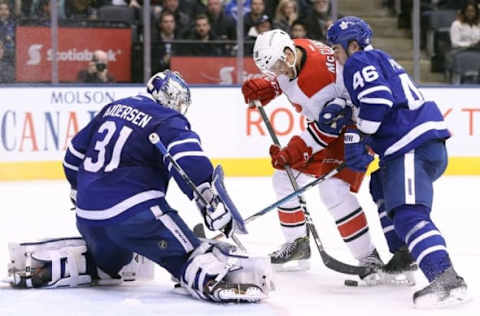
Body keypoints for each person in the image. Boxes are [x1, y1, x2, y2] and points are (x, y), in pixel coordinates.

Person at [7, 70, 271, 303]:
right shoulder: (167, 119)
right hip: (135, 215)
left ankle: (47, 268)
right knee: (190, 255)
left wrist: (79, 190)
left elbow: (73, 154)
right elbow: (188, 160)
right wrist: (211, 201)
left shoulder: (113, 108)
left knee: (111, 265)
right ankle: (214, 279)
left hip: (87, 217)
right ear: (171, 97)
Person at [241, 29, 409, 284]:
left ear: (287, 54)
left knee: (334, 190)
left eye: (277, 67)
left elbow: (328, 128)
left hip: (354, 132)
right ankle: (297, 244)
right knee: (284, 178)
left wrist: (296, 150)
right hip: (330, 124)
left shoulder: (323, 84)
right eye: (272, 69)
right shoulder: (296, 48)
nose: (278, 72)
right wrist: (269, 86)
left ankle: (369, 260)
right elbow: (287, 79)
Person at [327, 16, 468, 307]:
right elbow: (377, 100)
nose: (335, 56)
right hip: (412, 146)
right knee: (379, 186)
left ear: (352, 45)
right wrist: (354, 121)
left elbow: (378, 100)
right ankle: (404, 255)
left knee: (407, 213)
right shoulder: (377, 59)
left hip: (410, 146)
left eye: (337, 50)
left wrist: (359, 135)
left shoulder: (358, 61)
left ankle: (446, 277)